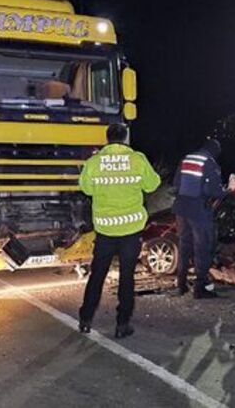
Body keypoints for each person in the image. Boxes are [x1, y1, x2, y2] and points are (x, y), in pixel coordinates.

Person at [78, 124, 162, 338]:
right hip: (130, 230)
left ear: (107, 139)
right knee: (127, 277)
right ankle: (122, 324)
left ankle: (86, 318)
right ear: (124, 139)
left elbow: (86, 188)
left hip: (105, 230)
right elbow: (153, 185)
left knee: (97, 274)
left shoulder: (94, 162)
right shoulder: (137, 159)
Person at [173, 138, 227, 299]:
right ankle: (200, 288)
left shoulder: (187, 158)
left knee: (184, 246)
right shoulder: (210, 163)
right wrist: (227, 191)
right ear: (215, 150)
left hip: (181, 208)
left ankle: (181, 284)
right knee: (202, 248)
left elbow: (176, 184)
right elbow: (214, 191)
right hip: (198, 210)